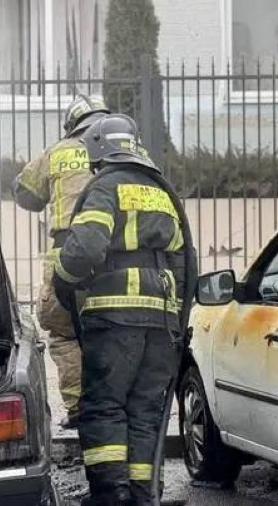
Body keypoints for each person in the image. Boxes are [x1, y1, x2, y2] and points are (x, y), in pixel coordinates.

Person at [52, 114, 195, 506]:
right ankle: (142, 494)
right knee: (145, 412)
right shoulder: (161, 192)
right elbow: (185, 263)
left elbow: (85, 249)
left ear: (98, 152)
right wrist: (175, 319)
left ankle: (111, 495)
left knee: (104, 406)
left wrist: (63, 279)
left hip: (114, 318)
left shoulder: (104, 186)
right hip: (162, 322)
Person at [12, 95, 110, 429]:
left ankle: (79, 409)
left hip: (65, 259)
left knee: (64, 332)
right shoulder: (123, 151)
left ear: (72, 125)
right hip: (114, 259)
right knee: (111, 330)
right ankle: (112, 404)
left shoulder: (58, 151)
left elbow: (25, 193)